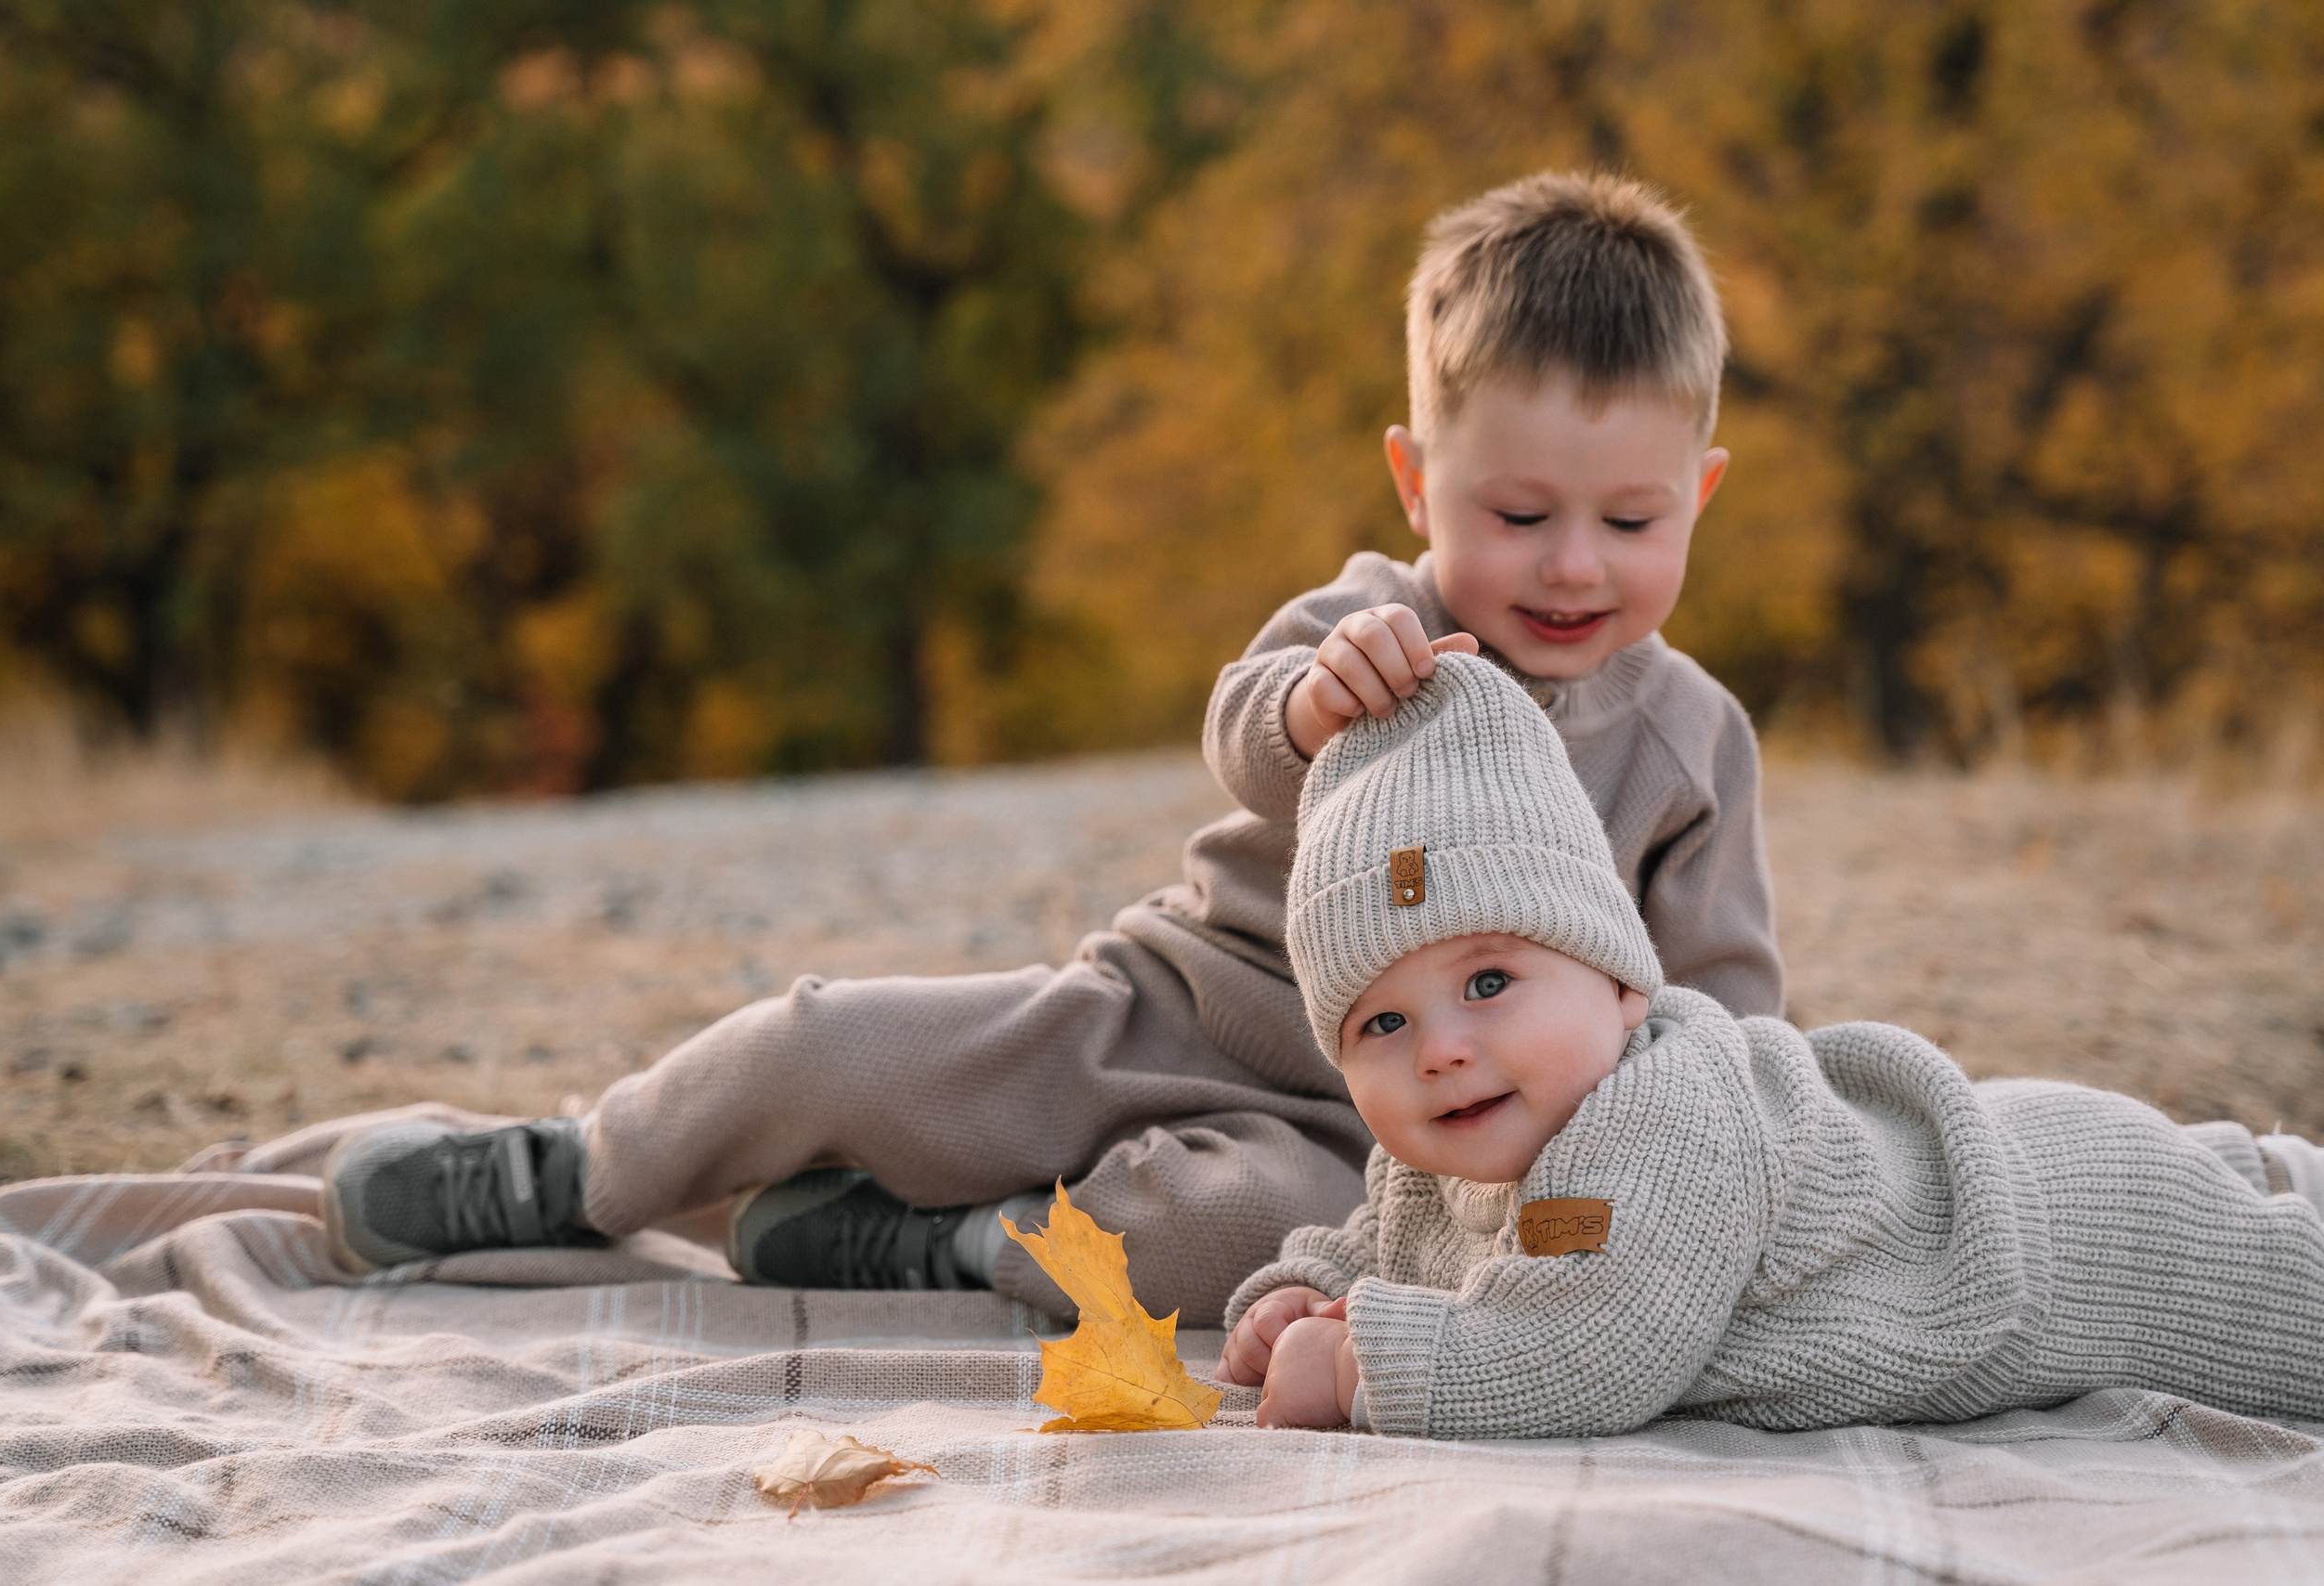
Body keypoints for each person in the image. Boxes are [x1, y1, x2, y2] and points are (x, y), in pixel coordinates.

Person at [319, 171, 1782, 1322]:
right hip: (1182, 1004)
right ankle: (580, 1169)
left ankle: (951, 1246)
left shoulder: (1691, 745)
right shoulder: (1373, 625)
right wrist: (1316, 704)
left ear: (1704, 496)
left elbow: (1720, 1019)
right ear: (1416, 478)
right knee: (846, 1042)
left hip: (1393, 1135)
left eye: (1631, 522)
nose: (1573, 567)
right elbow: (1245, 736)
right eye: (1520, 516)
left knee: (1237, 1239)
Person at [1222, 652, 2324, 1437]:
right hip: (2018, 1158)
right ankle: (2269, 1168)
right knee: (2257, 1184)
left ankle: (2273, 1180)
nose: (1441, 1050)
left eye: (1491, 981)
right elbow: (1398, 1243)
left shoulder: (1660, 1114)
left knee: (2288, 1304)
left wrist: (1367, 1365)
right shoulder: (1445, 1143)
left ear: (1617, 984)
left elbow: (1584, 1346)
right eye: (1382, 1021)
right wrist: (1304, 1292)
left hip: (2064, 1235)